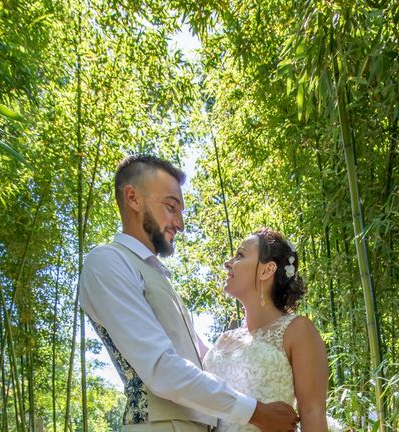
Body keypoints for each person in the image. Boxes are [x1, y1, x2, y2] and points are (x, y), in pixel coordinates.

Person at [78, 155, 299, 432]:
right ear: (133, 198)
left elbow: (201, 359)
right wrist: (256, 412)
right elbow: (160, 367)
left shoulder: (158, 276)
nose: (180, 224)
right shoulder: (108, 262)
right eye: (171, 207)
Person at [203, 228, 331, 432]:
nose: (228, 263)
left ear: (266, 270)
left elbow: (312, 413)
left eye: (240, 255)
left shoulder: (298, 330)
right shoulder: (223, 340)